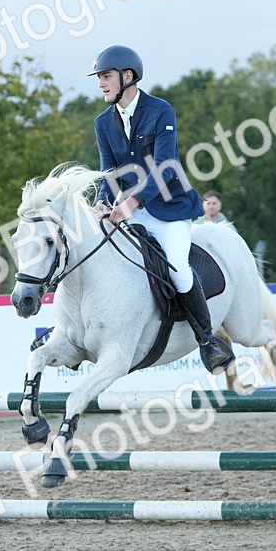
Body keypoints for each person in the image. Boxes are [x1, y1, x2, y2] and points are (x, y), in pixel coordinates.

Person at [87, 44, 232, 374]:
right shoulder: (102, 122)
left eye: (106, 77)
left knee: (178, 269)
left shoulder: (160, 110)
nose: (101, 84)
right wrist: (103, 201)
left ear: (128, 76)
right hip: (129, 210)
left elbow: (166, 166)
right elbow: (109, 170)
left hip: (169, 209)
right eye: (99, 78)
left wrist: (131, 202)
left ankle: (208, 341)